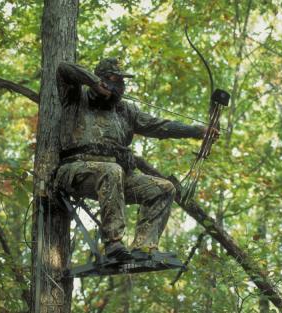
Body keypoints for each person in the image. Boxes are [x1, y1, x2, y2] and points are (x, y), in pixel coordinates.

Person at [53, 57, 208, 260]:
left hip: (116, 177)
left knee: (163, 188)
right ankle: (113, 243)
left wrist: (198, 131)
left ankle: (143, 249)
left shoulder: (125, 110)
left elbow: (159, 126)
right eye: (112, 79)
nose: (118, 85)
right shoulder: (76, 98)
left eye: (121, 81)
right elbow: (64, 69)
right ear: (100, 80)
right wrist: (94, 83)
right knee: (111, 171)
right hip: (76, 172)